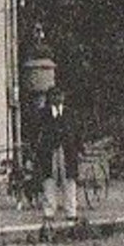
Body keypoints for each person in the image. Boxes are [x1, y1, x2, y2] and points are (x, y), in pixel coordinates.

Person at [33, 86, 81, 222]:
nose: (58, 99)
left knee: (69, 181)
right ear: (50, 98)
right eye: (54, 96)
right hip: (49, 152)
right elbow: (36, 133)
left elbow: (76, 132)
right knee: (49, 180)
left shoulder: (70, 113)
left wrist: (78, 148)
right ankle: (49, 211)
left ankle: (71, 211)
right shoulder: (43, 114)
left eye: (60, 95)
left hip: (67, 151)